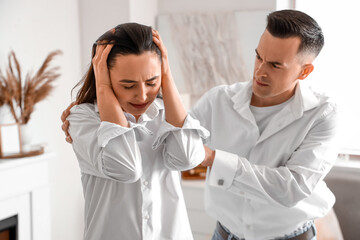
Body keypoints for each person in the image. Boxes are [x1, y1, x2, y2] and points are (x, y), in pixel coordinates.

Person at [194, 9, 339, 240]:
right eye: (258, 57)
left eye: (275, 65)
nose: (260, 71)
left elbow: (291, 189)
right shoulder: (217, 100)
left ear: (305, 71)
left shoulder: (322, 115)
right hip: (223, 234)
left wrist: (214, 158)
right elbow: (177, 141)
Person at [62, 23, 208, 240]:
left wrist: (167, 79)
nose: (142, 96)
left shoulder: (167, 114)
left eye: (152, 82)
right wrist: (102, 88)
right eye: (128, 85)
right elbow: (126, 169)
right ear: (104, 75)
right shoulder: (84, 118)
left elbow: (187, 158)